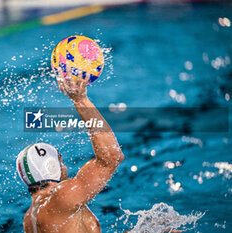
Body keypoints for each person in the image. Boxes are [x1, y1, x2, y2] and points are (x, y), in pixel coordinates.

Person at [16, 66, 182, 232]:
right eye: (61, 161)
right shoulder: (61, 197)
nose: (65, 167)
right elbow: (111, 158)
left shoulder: (29, 219)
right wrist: (80, 101)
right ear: (52, 167)